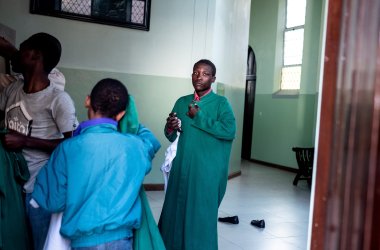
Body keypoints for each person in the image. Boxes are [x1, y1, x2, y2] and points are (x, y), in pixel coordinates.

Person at [32, 78, 161, 249]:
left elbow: (53, 202)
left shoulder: (67, 149)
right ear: (122, 113)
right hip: (122, 241)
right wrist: (132, 120)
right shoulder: (136, 146)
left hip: (83, 243)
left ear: (87, 101)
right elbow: (152, 141)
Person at [0, 32, 78, 250]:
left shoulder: (58, 99)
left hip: (40, 189)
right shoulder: (12, 90)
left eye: (22, 49)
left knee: (40, 244)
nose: (16, 55)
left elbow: (71, 148)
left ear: (35, 56)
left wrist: (25, 141)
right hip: (13, 187)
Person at [158, 59, 236, 250]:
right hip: (181, 167)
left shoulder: (220, 103)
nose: (199, 77)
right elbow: (170, 135)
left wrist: (199, 116)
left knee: (199, 215)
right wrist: (171, 126)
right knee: (174, 212)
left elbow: (228, 130)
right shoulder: (182, 101)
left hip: (205, 171)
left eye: (205, 73)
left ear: (213, 78)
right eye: (195, 72)